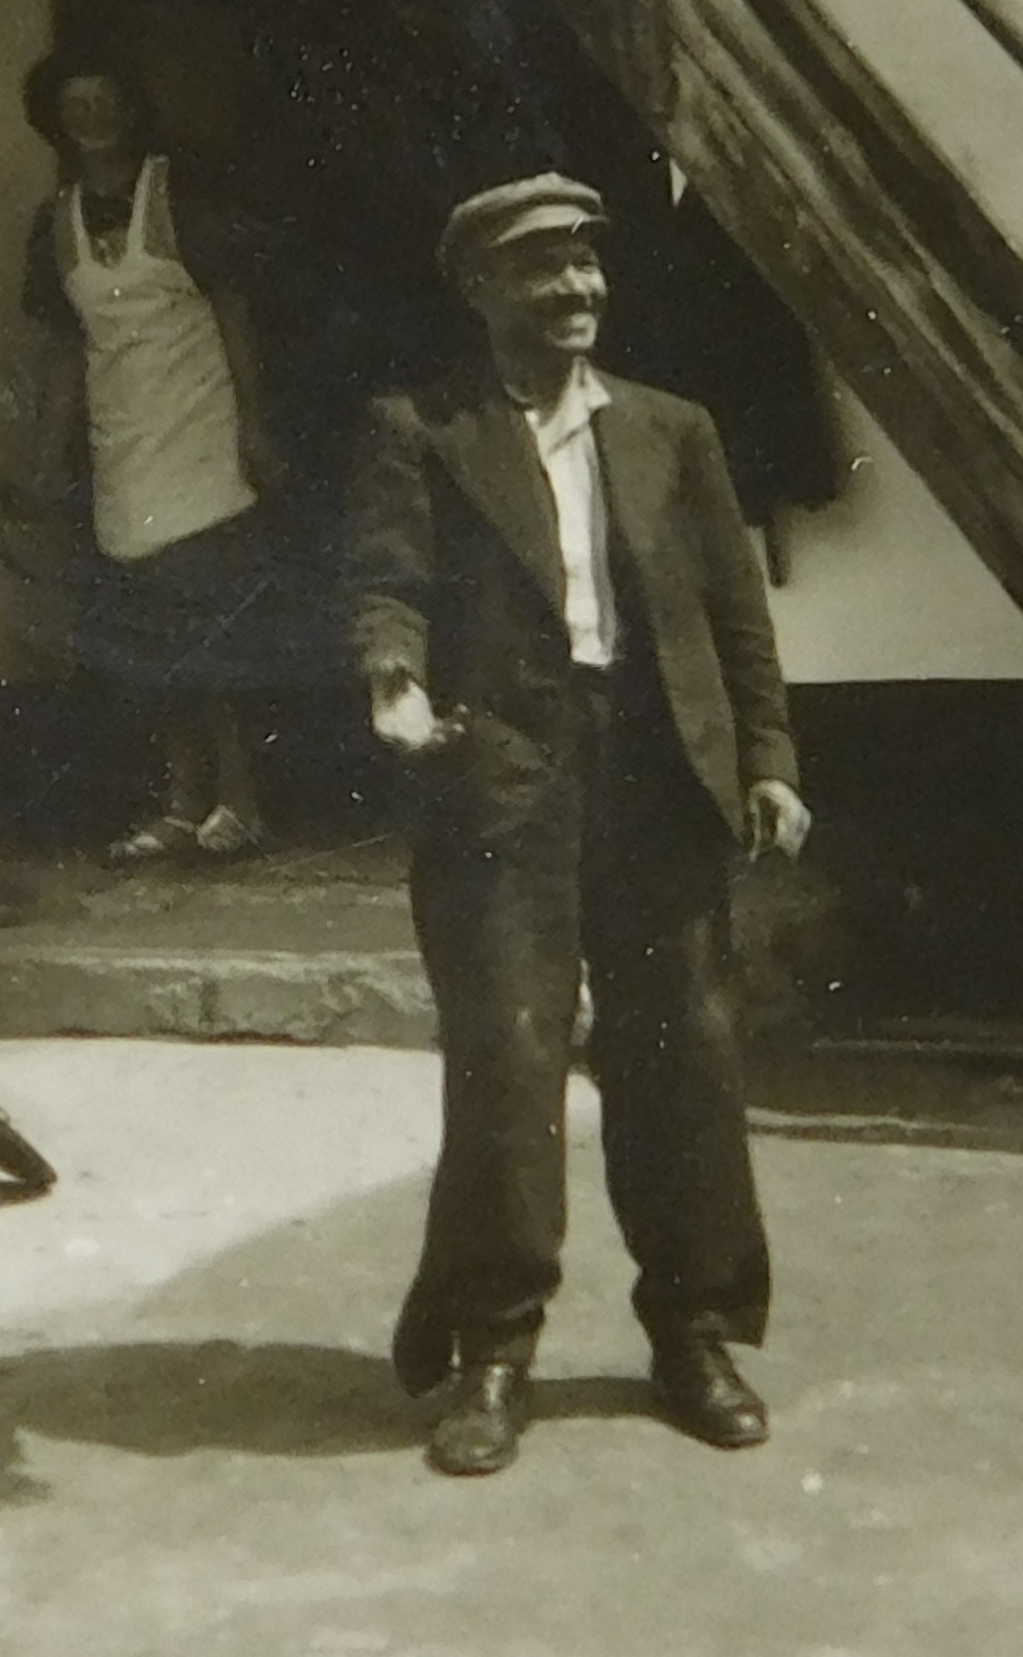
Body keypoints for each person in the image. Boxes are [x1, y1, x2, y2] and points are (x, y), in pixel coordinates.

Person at [345, 172, 812, 1476]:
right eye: (543, 267)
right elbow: (386, 581)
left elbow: (736, 618)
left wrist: (767, 760)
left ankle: (694, 1334)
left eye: (588, 262)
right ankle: (493, 1351)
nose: (576, 288)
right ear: (480, 288)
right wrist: (392, 681)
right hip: (503, 775)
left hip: (659, 773)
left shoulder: (672, 429)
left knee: (685, 1057)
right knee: (507, 1058)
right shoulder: (420, 428)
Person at [18, 52, 286, 863]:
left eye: (105, 100)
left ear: (131, 110)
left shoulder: (178, 197)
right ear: (57, 122)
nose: (92, 118)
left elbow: (234, 310)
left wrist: (254, 426)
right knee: (147, 629)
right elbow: (66, 350)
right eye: (76, 106)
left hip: (198, 421)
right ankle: (180, 801)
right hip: (124, 436)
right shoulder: (55, 222)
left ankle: (242, 801)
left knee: (210, 614)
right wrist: (45, 457)